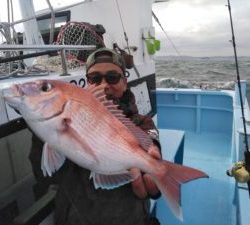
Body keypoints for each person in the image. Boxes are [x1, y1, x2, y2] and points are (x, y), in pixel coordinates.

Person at [30, 47, 161, 225]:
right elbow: (47, 177)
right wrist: (43, 128)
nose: (104, 85)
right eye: (95, 78)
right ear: (88, 83)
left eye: (113, 77)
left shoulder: (142, 122)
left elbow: (151, 144)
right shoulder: (67, 117)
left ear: (124, 81)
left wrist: (155, 165)